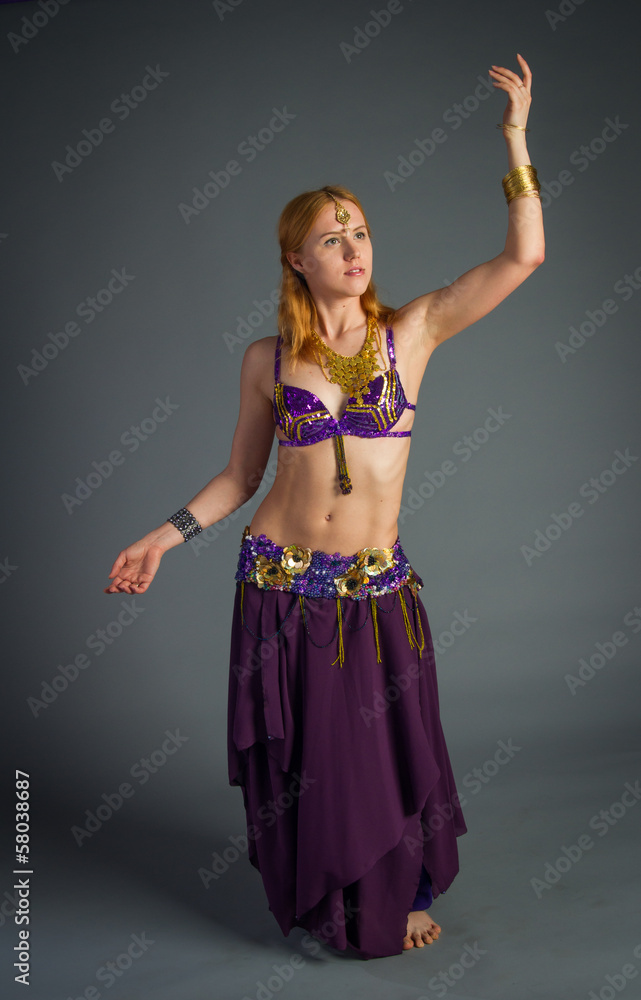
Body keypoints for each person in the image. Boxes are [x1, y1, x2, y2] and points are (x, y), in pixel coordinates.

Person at [105, 54, 544, 959]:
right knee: (311, 764)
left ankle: (399, 895)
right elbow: (239, 477)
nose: (354, 249)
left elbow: (523, 257)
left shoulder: (411, 331)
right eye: (332, 238)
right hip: (278, 584)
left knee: (385, 752)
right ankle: (324, 901)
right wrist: (161, 538)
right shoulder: (267, 360)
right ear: (295, 259)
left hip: (374, 586)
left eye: (361, 232)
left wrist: (514, 141)